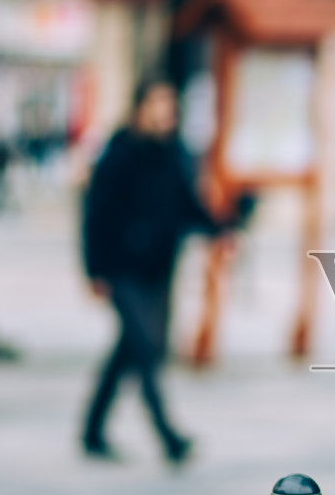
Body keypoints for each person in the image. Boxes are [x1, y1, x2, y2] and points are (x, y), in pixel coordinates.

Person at [81, 78, 226, 464]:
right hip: (122, 269)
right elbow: (96, 214)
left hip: (160, 269)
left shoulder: (174, 154)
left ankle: (92, 430)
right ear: (139, 108)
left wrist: (220, 228)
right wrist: (94, 270)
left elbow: (186, 205)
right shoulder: (119, 153)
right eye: (157, 104)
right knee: (147, 350)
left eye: (169, 105)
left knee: (129, 349)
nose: (165, 113)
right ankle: (169, 437)